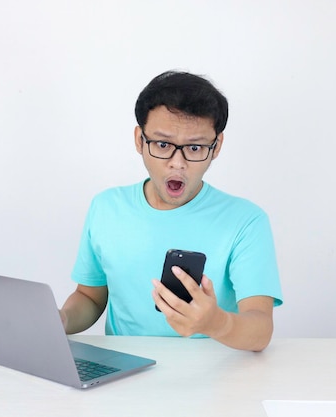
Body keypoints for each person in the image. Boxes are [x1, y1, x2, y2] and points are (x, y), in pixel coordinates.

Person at [59, 71, 283, 351]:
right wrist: (61, 320)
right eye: (163, 145)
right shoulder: (105, 208)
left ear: (216, 147)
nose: (178, 163)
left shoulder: (246, 221)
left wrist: (216, 323)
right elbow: (90, 298)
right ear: (140, 140)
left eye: (195, 147)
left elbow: (260, 329)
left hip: (215, 379)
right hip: (122, 375)